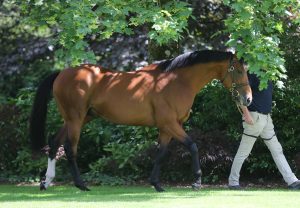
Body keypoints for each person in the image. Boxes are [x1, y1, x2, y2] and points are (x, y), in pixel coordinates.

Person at [228, 72, 300, 190]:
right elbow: (239, 95)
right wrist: (246, 115)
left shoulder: (268, 75)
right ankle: (233, 182)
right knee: (243, 152)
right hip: (254, 118)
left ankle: (292, 181)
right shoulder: (251, 75)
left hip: (267, 119)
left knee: (277, 150)